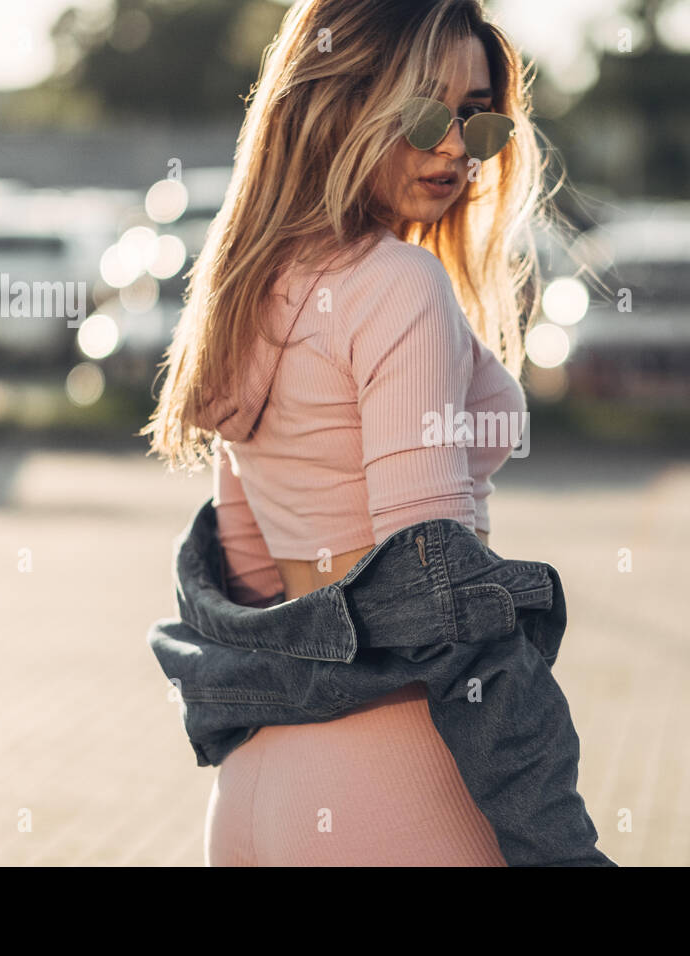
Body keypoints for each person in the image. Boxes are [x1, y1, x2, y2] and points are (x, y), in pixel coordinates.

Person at [142, 0, 569, 865]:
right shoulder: (397, 285)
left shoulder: (248, 288)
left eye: (477, 117)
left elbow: (254, 574)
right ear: (338, 100)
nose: (454, 145)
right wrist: (562, 847)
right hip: (391, 786)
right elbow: (443, 607)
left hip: (260, 787)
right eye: (420, 110)